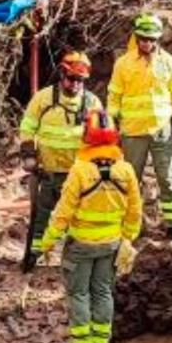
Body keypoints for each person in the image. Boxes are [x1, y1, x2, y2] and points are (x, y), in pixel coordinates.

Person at [34, 110, 143, 343]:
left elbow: (63, 212)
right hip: (111, 244)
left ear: (86, 137)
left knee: (79, 294)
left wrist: (47, 242)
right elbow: (135, 209)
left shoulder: (80, 171)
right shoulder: (126, 170)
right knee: (104, 292)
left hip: (81, 246)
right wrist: (128, 238)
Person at [106, 13, 172, 245]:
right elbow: (114, 96)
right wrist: (110, 125)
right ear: (136, 37)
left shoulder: (168, 63)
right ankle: (126, 224)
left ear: (158, 39)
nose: (147, 43)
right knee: (129, 179)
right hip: (133, 132)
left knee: (168, 178)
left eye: (152, 39)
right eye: (143, 38)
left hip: (162, 130)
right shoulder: (123, 64)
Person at [18, 51, 106, 273]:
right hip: (47, 172)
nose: (75, 85)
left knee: (78, 220)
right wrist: (29, 154)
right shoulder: (43, 99)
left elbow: (103, 136)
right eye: (72, 79)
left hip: (78, 175)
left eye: (80, 81)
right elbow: (28, 127)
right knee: (40, 218)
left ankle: (74, 261)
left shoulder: (92, 103)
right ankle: (33, 257)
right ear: (62, 75)